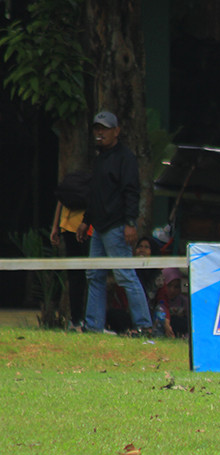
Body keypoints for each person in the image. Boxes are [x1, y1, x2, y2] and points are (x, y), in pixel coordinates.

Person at [76, 110, 153, 336]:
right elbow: (95, 194)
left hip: (116, 225)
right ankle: (93, 326)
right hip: (99, 227)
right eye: (97, 129)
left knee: (125, 275)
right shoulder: (100, 159)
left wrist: (130, 223)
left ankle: (144, 326)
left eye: (105, 129)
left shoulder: (125, 157)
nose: (100, 133)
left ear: (116, 131)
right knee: (95, 276)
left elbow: (131, 191)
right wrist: (85, 221)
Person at [49, 171, 91, 331]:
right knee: (91, 277)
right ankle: (89, 319)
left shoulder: (69, 184)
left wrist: (55, 227)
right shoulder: (92, 185)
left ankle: (76, 319)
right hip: (86, 229)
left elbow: (61, 202)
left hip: (66, 227)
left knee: (75, 277)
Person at [151, 267, 189, 338]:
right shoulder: (158, 301)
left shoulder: (184, 301)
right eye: (169, 286)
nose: (172, 290)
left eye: (176, 287)